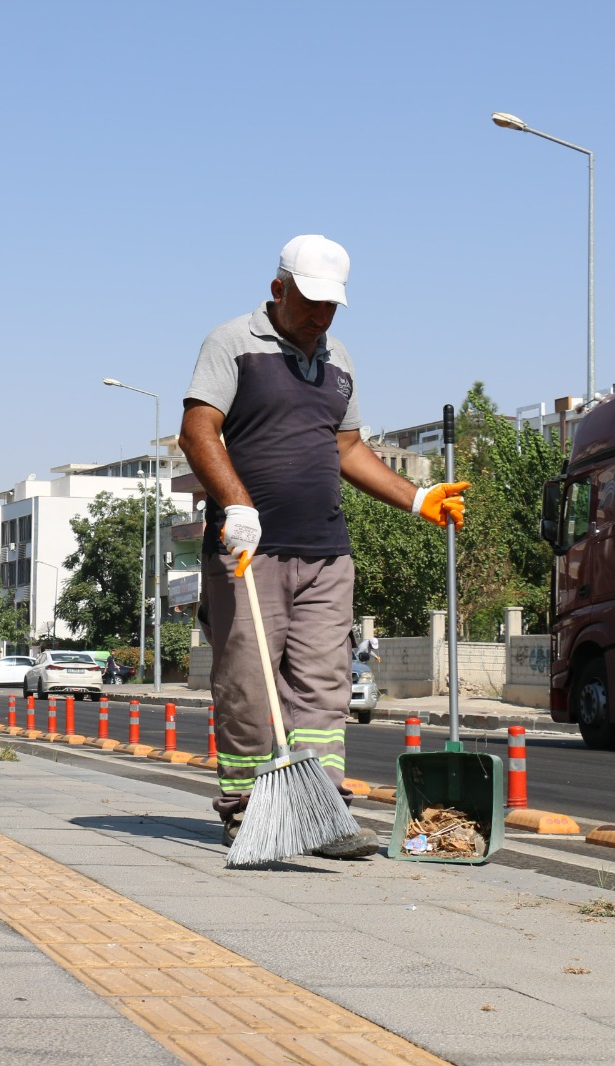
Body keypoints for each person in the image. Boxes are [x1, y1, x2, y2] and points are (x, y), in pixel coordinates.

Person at [178, 235, 469, 857]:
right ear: (278, 288)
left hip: (327, 553)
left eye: (331, 305)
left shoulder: (340, 360)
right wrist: (236, 504)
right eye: (309, 302)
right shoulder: (232, 342)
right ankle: (245, 810)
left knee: (324, 687)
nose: (321, 316)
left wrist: (417, 498)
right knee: (248, 687)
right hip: (249, 550)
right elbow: (198, 432)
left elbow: (348, 448)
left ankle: (319, 812)